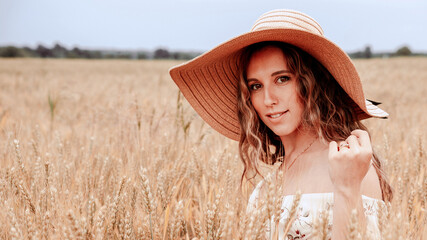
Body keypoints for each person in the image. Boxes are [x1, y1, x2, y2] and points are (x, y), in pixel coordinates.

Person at [169, 9, 392, 239]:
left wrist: (347, 188)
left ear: (313, 83)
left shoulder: (351, 164)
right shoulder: (264, 189)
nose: (268, 100)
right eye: (255, 86)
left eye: (282, 79)